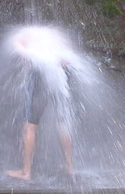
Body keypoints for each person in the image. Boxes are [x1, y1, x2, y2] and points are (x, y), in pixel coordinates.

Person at [5, 27, 75, 181]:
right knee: (62, 122)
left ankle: (26, 172)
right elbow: (67, 59)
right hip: (60, 76)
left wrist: (30, 55)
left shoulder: (25, 34)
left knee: (30, 126)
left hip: (41, 76)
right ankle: (69, 166)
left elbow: (19, 50)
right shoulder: (57, 34)